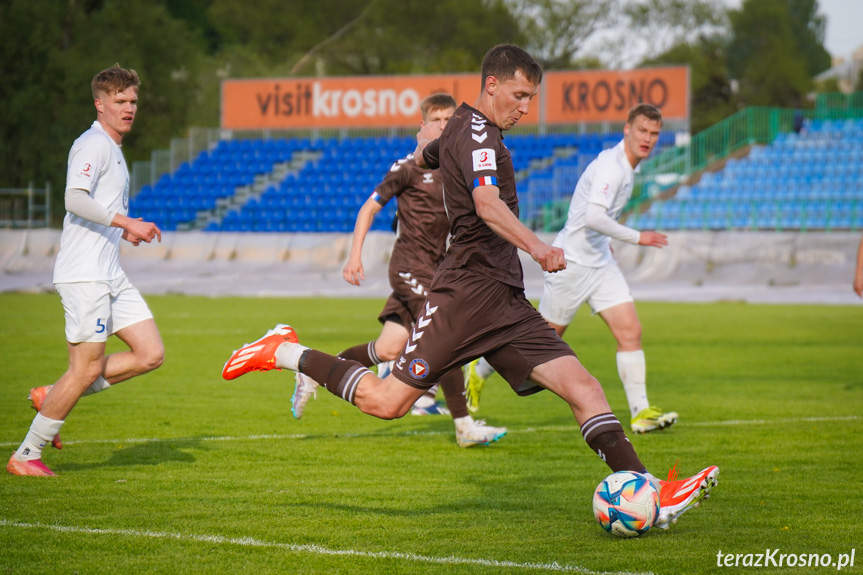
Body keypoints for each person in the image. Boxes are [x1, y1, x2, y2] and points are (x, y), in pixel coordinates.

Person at [223, 44, 717, 528]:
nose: (525, 107)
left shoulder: (463, 125)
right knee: (386, 402)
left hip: (504, 299)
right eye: (519, 95)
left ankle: (649, 488)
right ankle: (284, 351)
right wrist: (538, 247)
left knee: (583, 387)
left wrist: (432, 153)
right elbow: (486, 203)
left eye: (532, 99)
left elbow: (432, 154)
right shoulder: (479, 133)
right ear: (492, 84)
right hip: (465, 293)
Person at [291, 93, 507, 447]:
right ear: (421, 127)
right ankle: (463, 425)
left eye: (449, 120)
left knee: (390, 348)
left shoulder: (454, 167)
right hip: (409, 268)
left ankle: (313, 371)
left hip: (436, 271)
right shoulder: (406, 167)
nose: (442, 126)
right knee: (445, 333)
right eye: (436, 120)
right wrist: (354, 256)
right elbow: (368, 209)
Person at [465, 104, 678, 435]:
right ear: (627, 129)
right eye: (642, 131)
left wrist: (604, 242)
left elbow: (595, 220)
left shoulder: (627, 166)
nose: (647, 139)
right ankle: (479, 370)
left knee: (630, 331)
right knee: (540, 342)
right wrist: (638, 237)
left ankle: (640, 413)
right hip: (572, 263)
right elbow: (594, 216)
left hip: (600, 263)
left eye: (654, 133)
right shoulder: (613, 167)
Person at [7, 64, 164, 477]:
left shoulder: (113, 148)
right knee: (85, 369)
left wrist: (122, 233)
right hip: (85, 275)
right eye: (119, 101)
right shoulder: (92, 144)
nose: (129, 108)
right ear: (100, 104)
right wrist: (125, 222)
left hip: (109, 271)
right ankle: (26, 455)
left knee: (150, 354)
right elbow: (73, 199)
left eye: (132, 101)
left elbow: (96, 209)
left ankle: (53, 394)